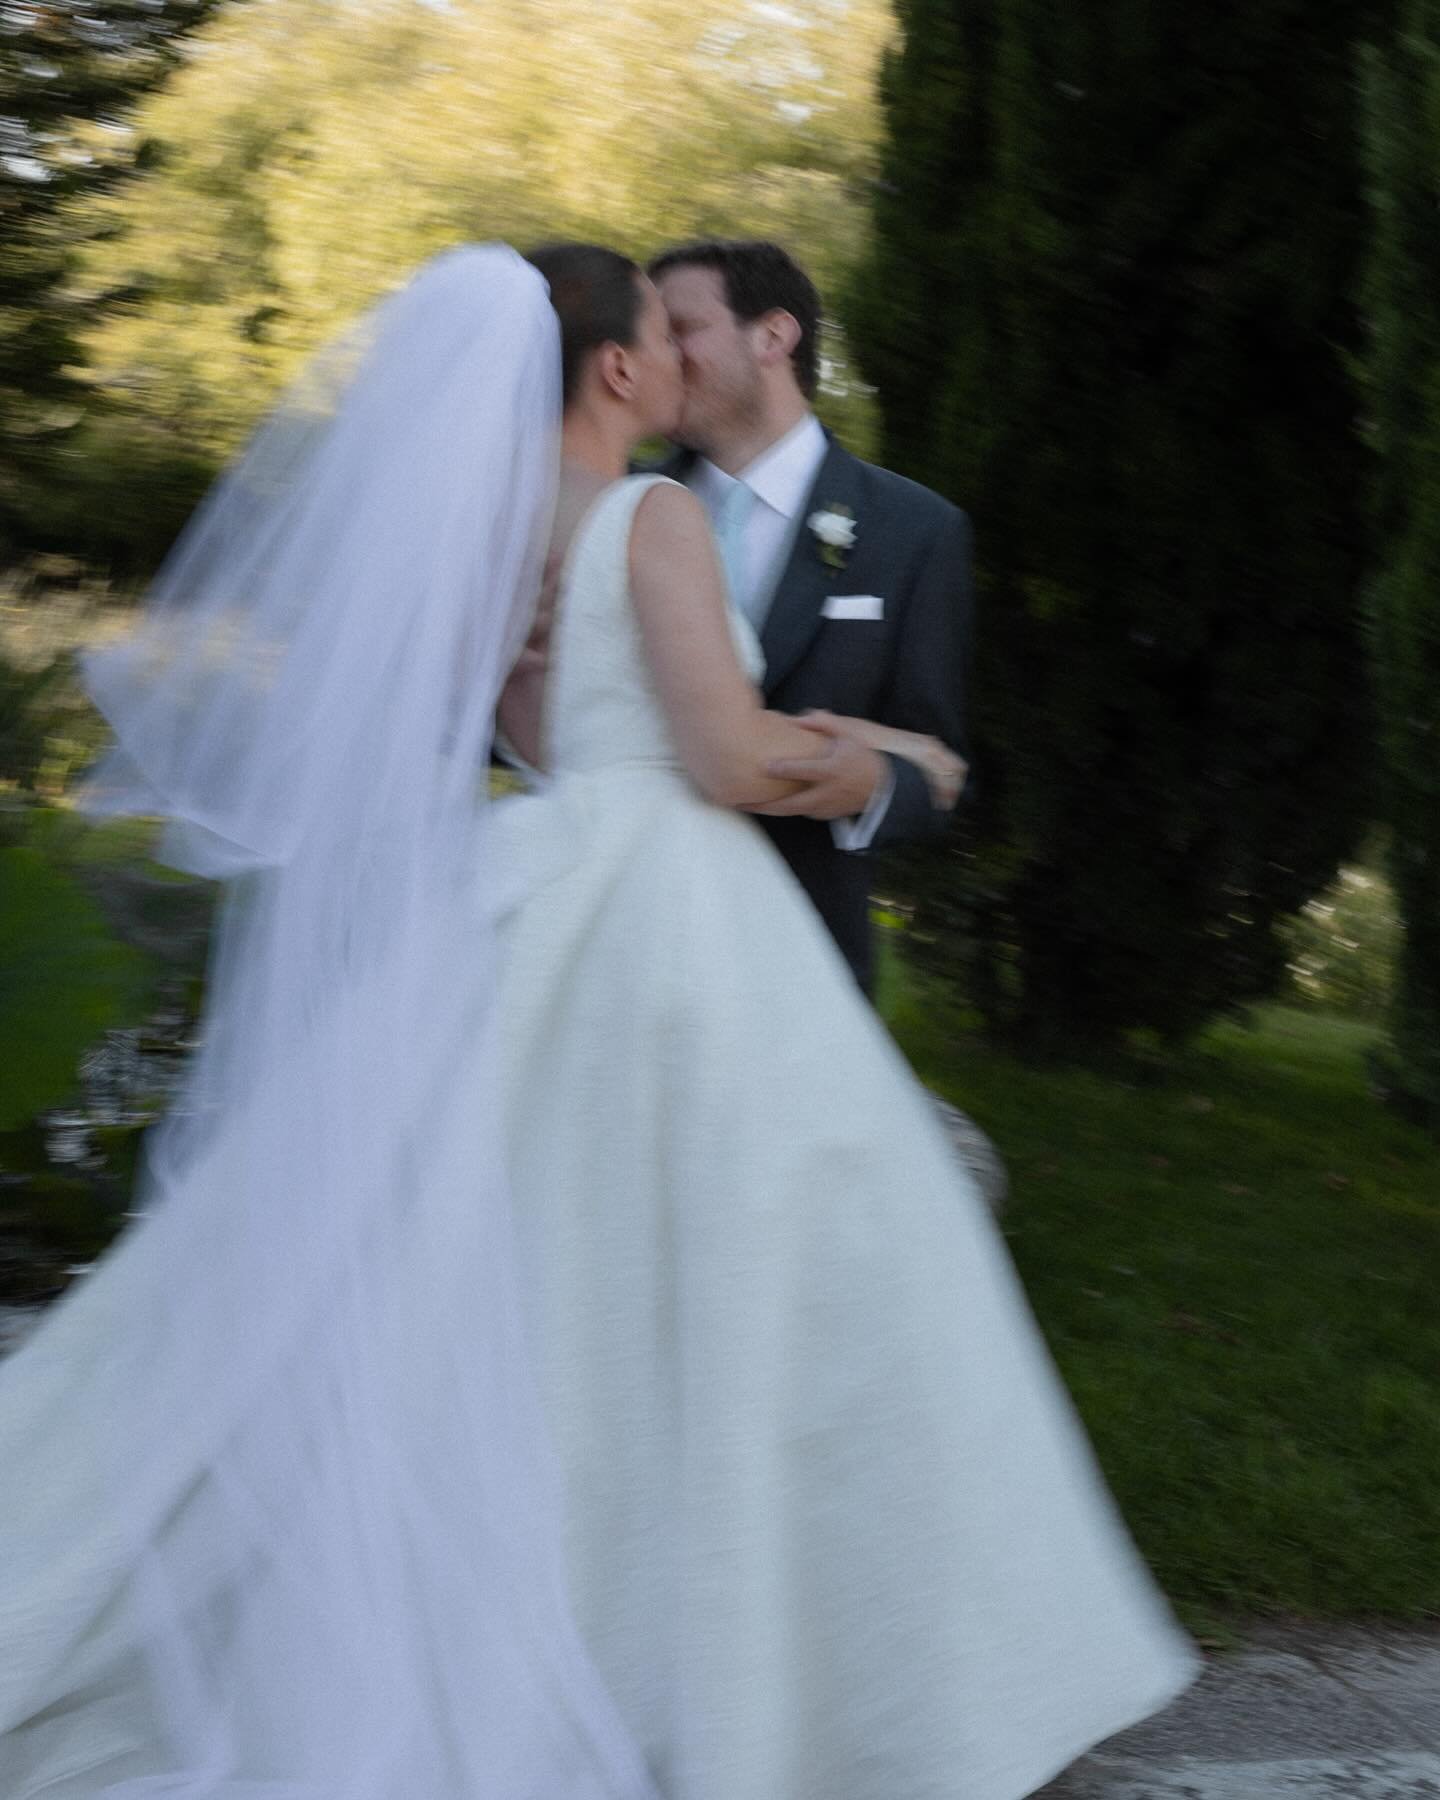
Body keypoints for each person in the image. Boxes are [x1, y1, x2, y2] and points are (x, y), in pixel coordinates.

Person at [0, 243, 1195, 1800]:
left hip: (527, 898)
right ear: (618, 372)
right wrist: (896, 753)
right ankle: (757, 1670)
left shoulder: (489, 540)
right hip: (676, 925)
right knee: (766, 1272)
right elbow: (722, 757)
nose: (680, 365)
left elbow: (511, 732)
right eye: (658, 336)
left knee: (515, 1278)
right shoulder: (654, 518)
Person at [646, 239, 972, 991]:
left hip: (801, 955)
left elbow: (940, 764)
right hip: (619, 929)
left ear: (773, 335)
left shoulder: (915, 531)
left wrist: (878, 783)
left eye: (679, 331)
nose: (657, 358)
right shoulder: (606, 508)